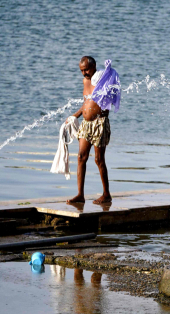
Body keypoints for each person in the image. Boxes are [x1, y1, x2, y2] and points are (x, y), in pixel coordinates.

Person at [67, 56, 116, 205]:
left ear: (94, 66)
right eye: (82, 71)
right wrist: (75, 115)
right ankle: (80, 195)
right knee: (81, 156)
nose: (84, 73)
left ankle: (106, 194)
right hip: (86, 124)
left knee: (99, 159)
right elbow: (86, 102)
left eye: (86, 70)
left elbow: (110, 97)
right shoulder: (85, 81)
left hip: (99, 123)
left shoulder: (103, 80)